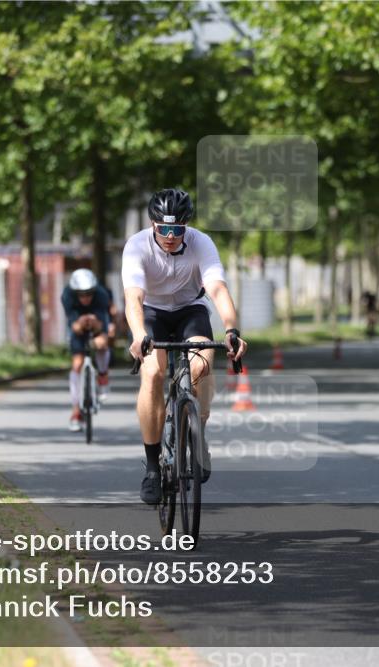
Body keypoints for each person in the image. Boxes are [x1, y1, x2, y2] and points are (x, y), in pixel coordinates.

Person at [122, 188, 248, 505]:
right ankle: (152, 468)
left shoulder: (201, 242)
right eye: (163, 229)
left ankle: (197, 431)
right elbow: (133, 297)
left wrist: (231, 329)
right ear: (153, 225)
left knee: (201, 365)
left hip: (191, 311)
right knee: (153, 373)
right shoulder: (136, 246)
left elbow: (217, 288)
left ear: (185, 227)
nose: (170, 236)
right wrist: (138, 335)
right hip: (152, 313)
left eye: (177, 229)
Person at [61, 268, 112, 432]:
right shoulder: (67, 295)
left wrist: (99, 329)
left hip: (97, 316)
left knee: (101, 344)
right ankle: (76, 411)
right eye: (81, 294)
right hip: (77, 318)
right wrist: (80, 323)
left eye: (89, 293)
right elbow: (73, 325)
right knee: (77, 363)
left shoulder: (101, 295)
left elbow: (104, 322)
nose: (85, 297)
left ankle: (103, 374)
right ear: (75, 292)